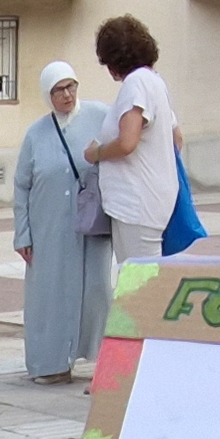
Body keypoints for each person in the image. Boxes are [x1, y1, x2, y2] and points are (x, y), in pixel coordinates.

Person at [11, 60, 105, 387]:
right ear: (46, 95)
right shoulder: (36, 134)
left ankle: (100, 359)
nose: (66, 95)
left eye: (71, 87)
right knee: (47, 295)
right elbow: (22, 185)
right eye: (58, 90)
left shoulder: (100, 117)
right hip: (48, 229)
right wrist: (22, 233)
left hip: (90, 227)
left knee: (95, 290)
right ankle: (49, 363)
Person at [83, 15, 178, 275]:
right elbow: (176, 138)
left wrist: (96, 153)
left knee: (138, 285)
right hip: (153, 200)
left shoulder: (135, 84)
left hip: (136, 205)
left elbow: (127, 142)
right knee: (146, 281)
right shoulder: (155, 81)